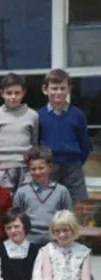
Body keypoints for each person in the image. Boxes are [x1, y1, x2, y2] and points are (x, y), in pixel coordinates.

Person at [38, 69, 90, 203]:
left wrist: (76, 160)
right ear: (45, 90)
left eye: (62, 88)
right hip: (49, 167)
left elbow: (84, 144)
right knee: (49, 204)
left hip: (72, 166)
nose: (58, 92)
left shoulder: (77, 115)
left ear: (69, 90)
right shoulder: (39, 116)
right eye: (54, 88)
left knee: (73, 206)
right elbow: (36, 143)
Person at [0, 73, 39, 192]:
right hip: (2, 169)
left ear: (23, 92)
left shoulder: (32, 115)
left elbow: (34, 143)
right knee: (4, 203)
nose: (13, 97)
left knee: (24, 204)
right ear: (1, 93)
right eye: (9, 93)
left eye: (17, 93)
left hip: (25, 168)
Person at [12, 146, 73, 246]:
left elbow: (68, 220)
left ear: (50, 167)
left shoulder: (61, 191)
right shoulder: (22, 192)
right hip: (28, 243)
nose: (37, 172)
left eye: (41, 168)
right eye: (33, 169)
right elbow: (16, 221)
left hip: (55, 242)